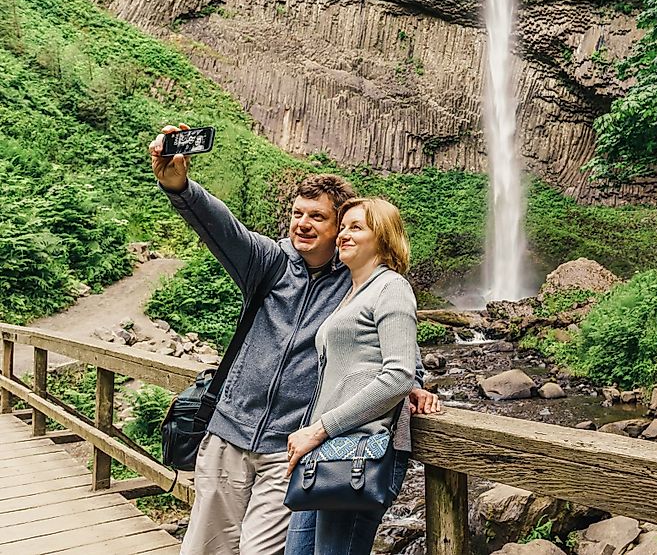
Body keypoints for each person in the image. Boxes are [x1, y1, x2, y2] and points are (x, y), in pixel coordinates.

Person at [148, 124, 441, 555]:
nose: (303, 225)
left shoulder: (356, 281)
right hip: (229, 431)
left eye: (317, 217)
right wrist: (181, 187)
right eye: (297, 214)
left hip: (291, 445)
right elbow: (223, 228)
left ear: (340, 225)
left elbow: (390, 333)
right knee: (204, 549)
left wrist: (413, 379)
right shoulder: (269, 262)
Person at [284, 197, 418, 555]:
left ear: (384, 237)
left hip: (357, 453)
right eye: (342, 227)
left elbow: (399, 373)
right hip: (322, 452)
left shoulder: (392, 287)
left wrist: (319, 428)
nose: (343, 234)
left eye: (356, 227)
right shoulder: (353, 293)